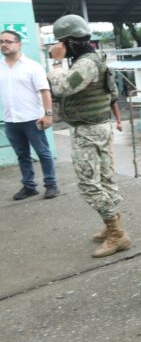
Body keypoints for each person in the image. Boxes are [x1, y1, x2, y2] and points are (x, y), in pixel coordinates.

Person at [47, 14, 131, 258]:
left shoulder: (85, 63)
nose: (58, 47)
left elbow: (62, 87)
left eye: (61, 42)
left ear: (69, 42)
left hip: (87, 130)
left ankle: (117, 234)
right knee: (105, 179)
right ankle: (111, 226)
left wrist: (55, 64)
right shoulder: (95, 58)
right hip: (99, 126)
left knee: (88, 184)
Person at [0, 30, 59, 200]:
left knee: (43, 153)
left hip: (33, 119)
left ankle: (51, 185)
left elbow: (45, 92)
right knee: (22, 155)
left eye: (8, 41)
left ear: (19, 44)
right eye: (1, 41)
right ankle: (29, 186)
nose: (4, 44)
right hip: (11, 120)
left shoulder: (32, 66)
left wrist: (48, 115)